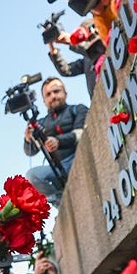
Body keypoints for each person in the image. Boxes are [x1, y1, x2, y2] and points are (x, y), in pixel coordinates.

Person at [23, 77, 88, 205]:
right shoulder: (39, 123)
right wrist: (28, 139)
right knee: (32, 176)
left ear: (65, 93)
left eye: (56, 91)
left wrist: (58, 141)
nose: (53, 96)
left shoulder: (78, 109)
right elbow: (30, 152)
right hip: (56, 169)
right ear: (44, 100)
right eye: (48, 94)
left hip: (78, 158)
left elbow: (80, 134)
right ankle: (63, 204)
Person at [47, 19, 106, 97]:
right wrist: (52, 47)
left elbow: (98, 49)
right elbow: (66, 70)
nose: (81, 36)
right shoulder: (86, 61)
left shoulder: (105, 40)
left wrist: (72, 40)